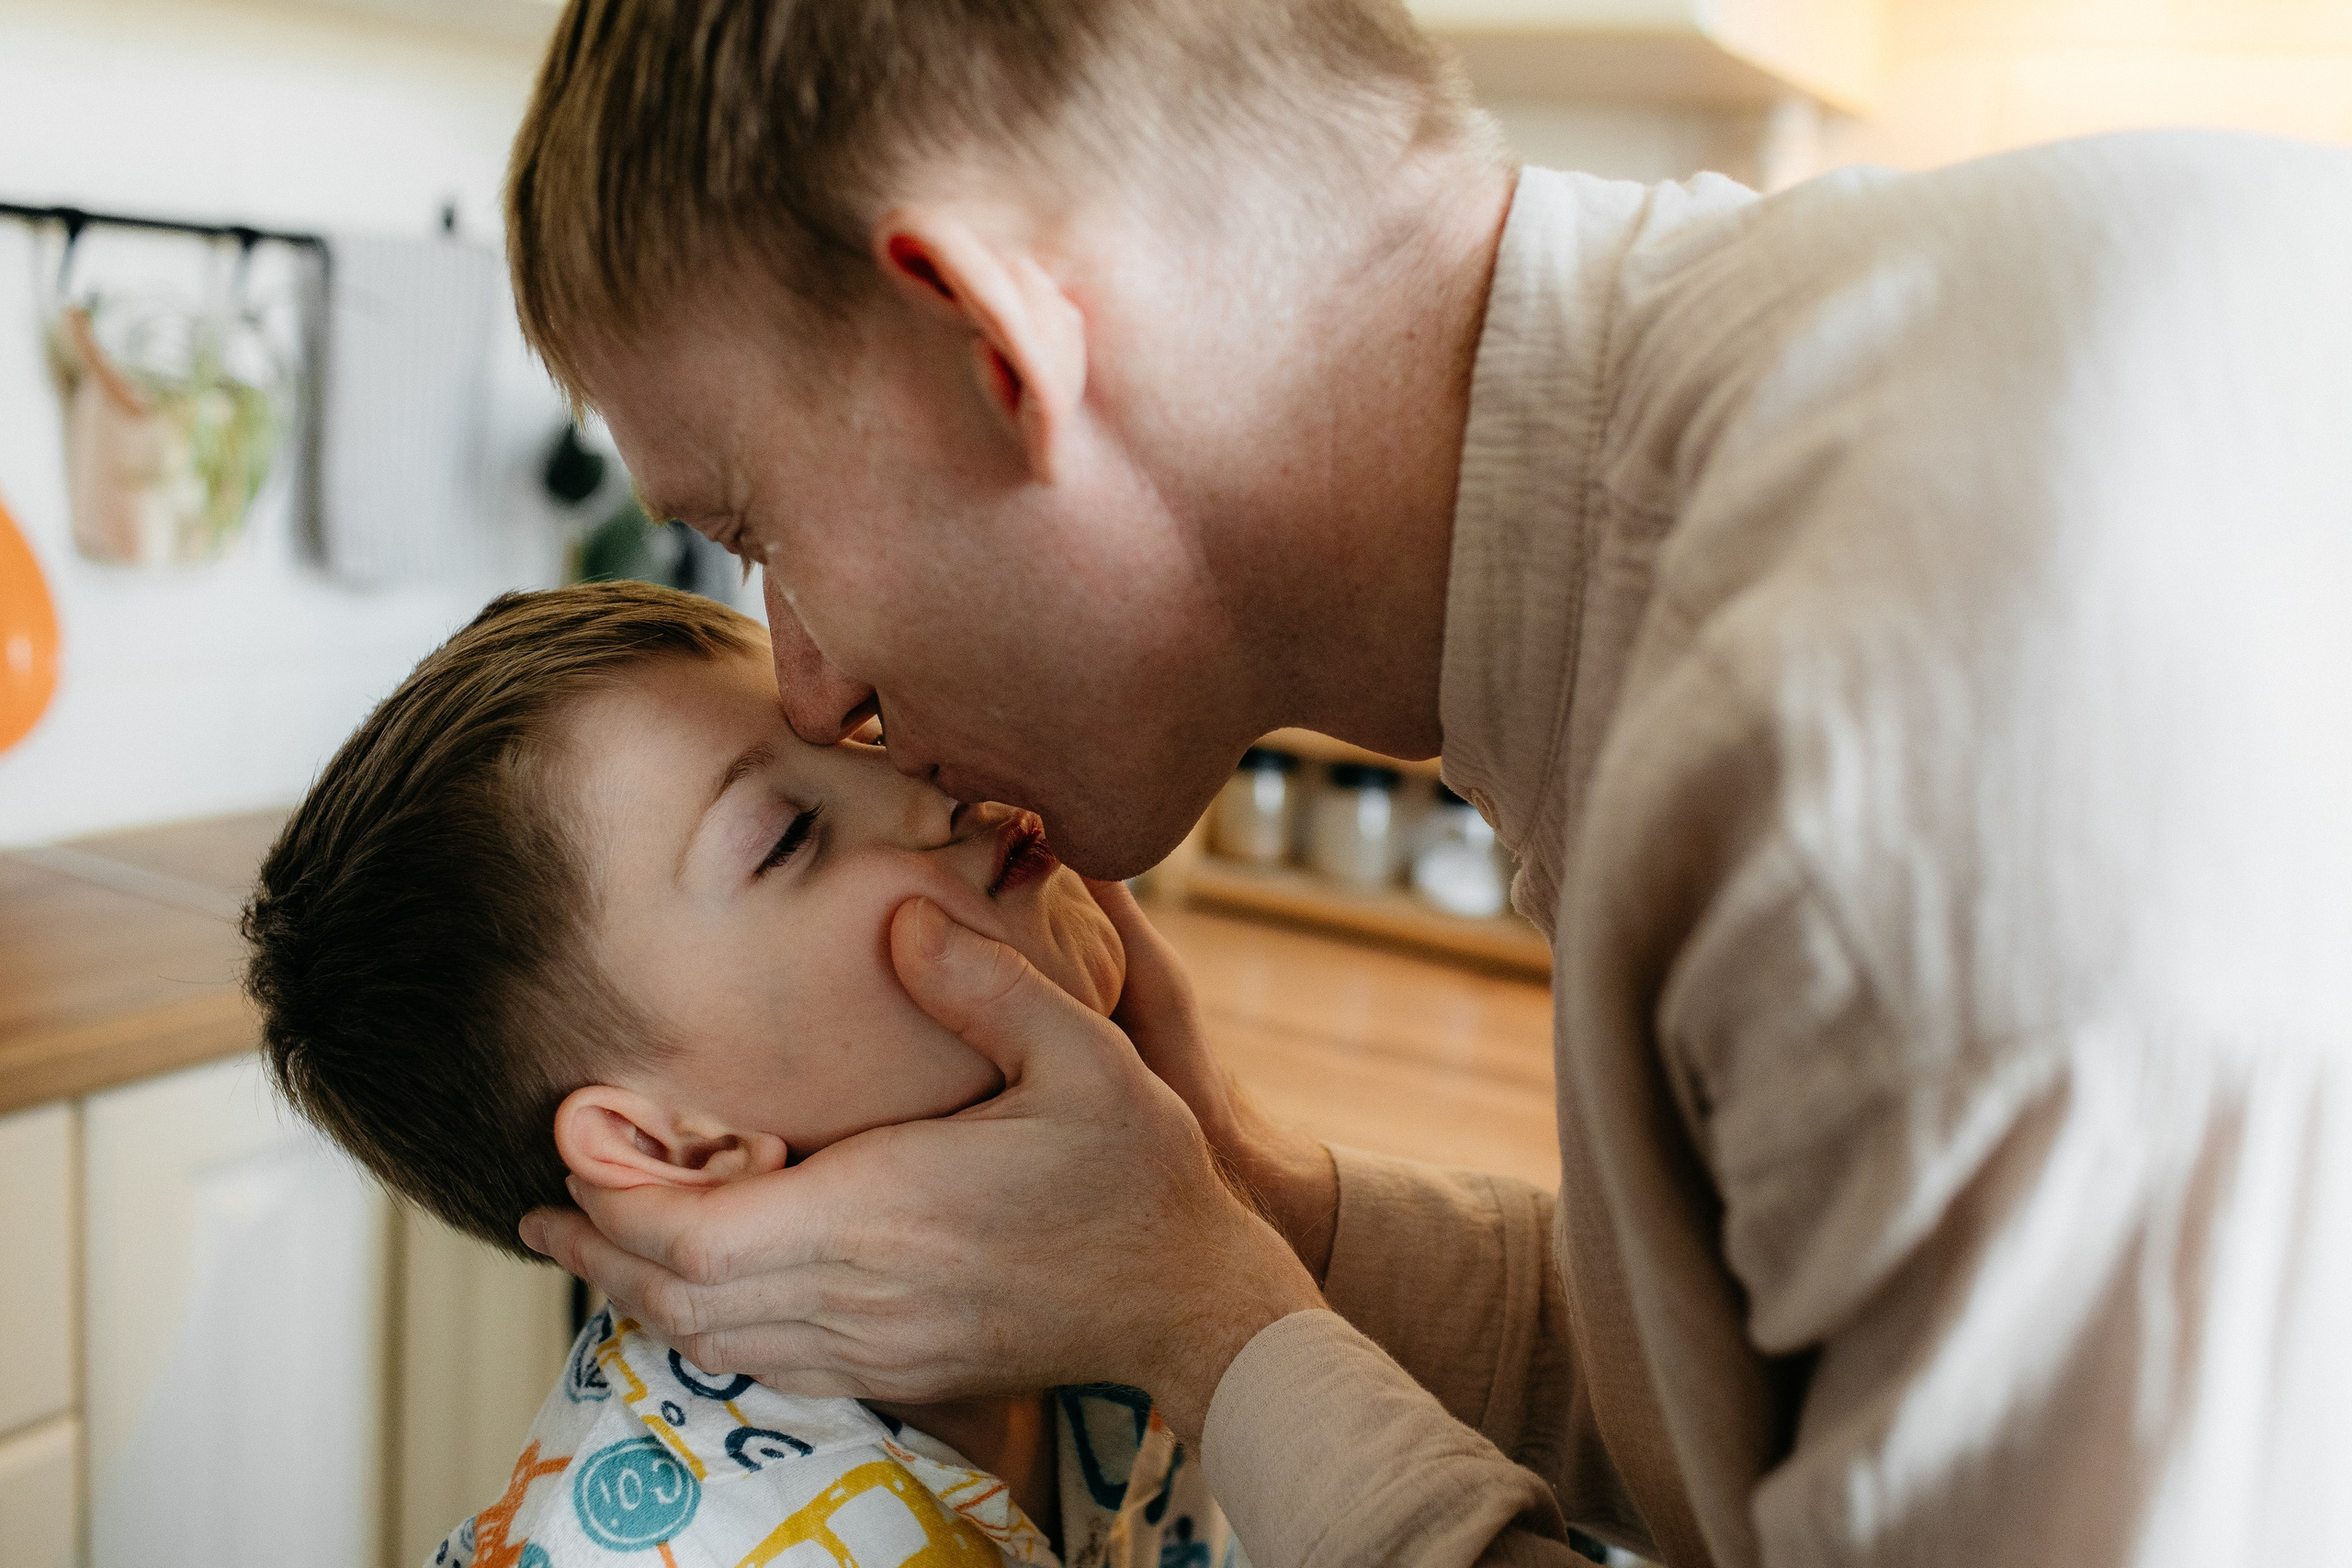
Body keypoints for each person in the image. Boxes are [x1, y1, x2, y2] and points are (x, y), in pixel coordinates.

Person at [503, 1, 2352, 1564]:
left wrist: (1208, 1333)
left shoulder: (1893, 745)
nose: (813, 689)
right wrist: (1244, 1210)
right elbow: (1778, 1394)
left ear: (986, 348)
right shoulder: (1810, 427)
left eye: (753, 524)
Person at [241, 581, 1231, 1568]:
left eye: (872, 727)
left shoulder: (1137, 1283)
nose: (935, 773)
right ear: (676, 1144)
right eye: (791, 835)